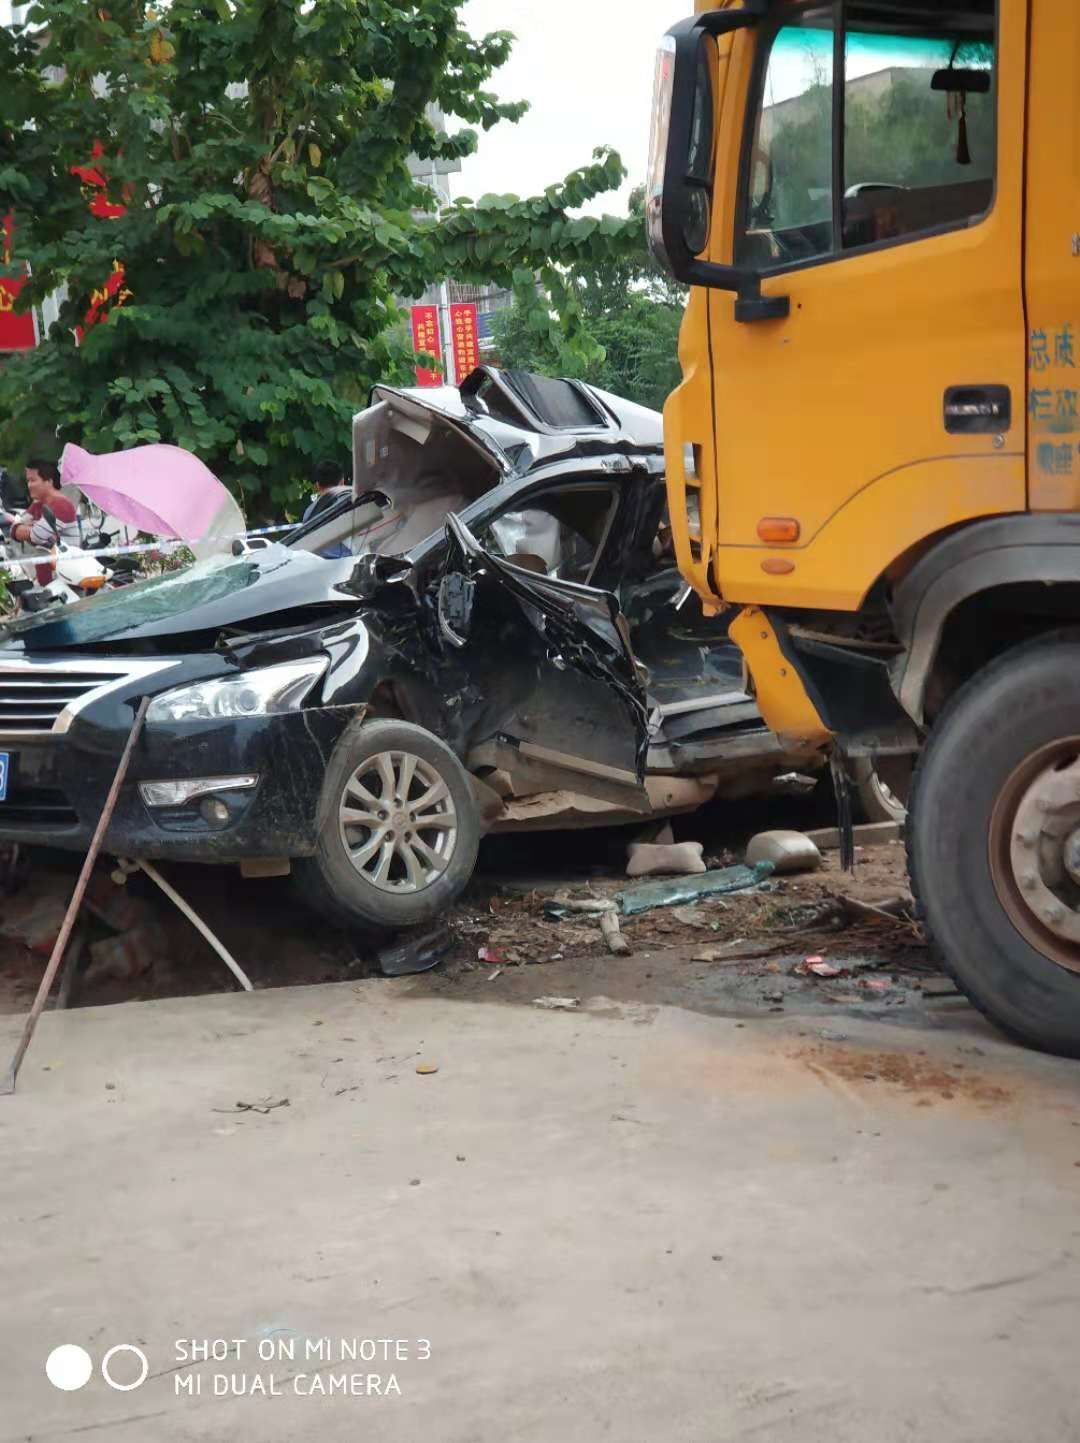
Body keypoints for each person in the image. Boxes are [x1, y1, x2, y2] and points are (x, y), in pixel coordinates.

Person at [4, 458, 81, 584]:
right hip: (48, 578)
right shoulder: (38, 505)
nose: (29, 485)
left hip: (66, 579)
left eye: (33, 480)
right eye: (28, 481)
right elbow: (14, 530)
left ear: (49, 481)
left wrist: (28, 530)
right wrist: (29, 529)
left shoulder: (61, 504)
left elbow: (36, 536)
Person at [301, 459, 351, 559]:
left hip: (318, 568)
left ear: (317, 486)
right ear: (342, 481)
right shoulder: (350, 505)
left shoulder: (309, 512)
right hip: (346, 567)